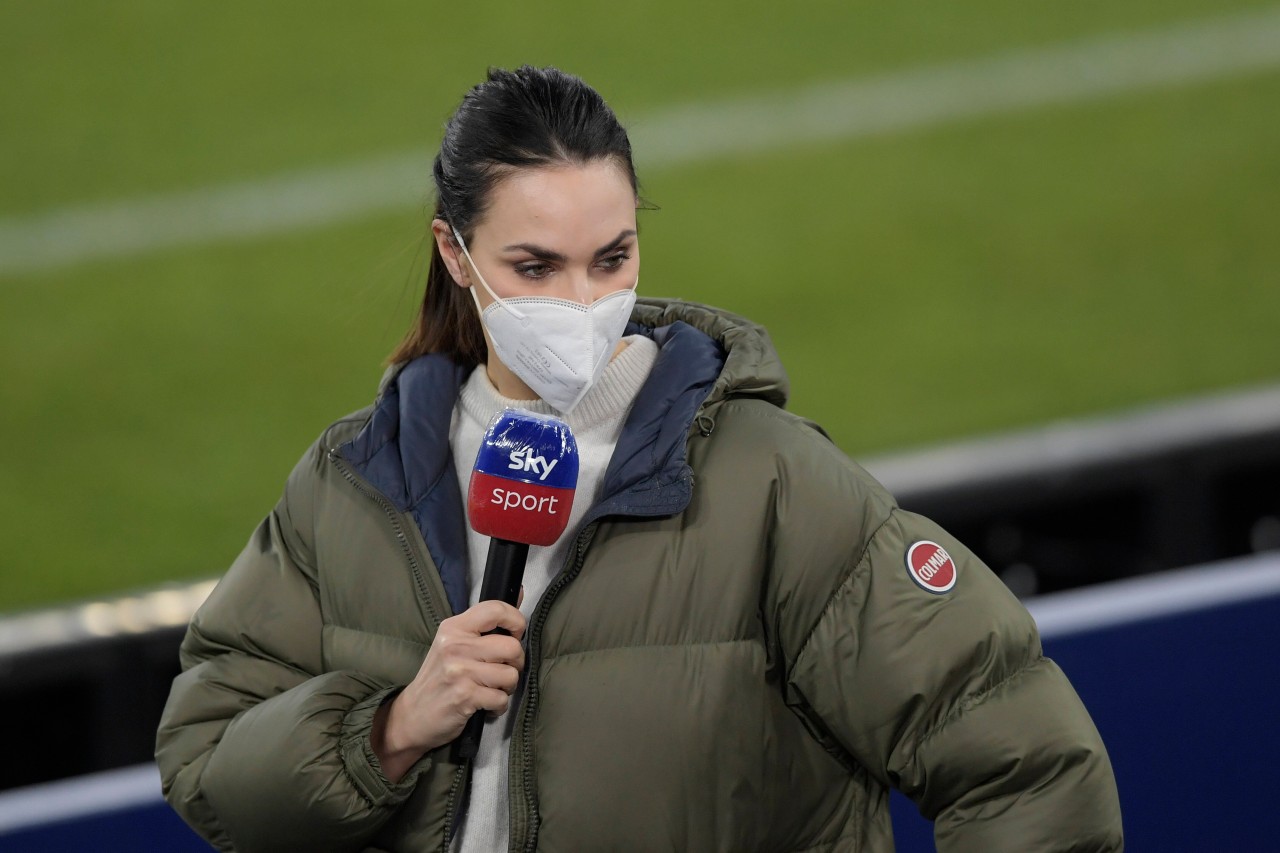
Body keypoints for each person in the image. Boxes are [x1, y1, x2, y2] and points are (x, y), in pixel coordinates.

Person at [155, 66, 1123, 852]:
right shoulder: (350, 483)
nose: (580, 303)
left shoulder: (770, 482)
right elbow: (207, 766)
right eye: (535, 267)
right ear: (454, 254)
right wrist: (392, 727)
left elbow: (1027, 763)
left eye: (611, 259)